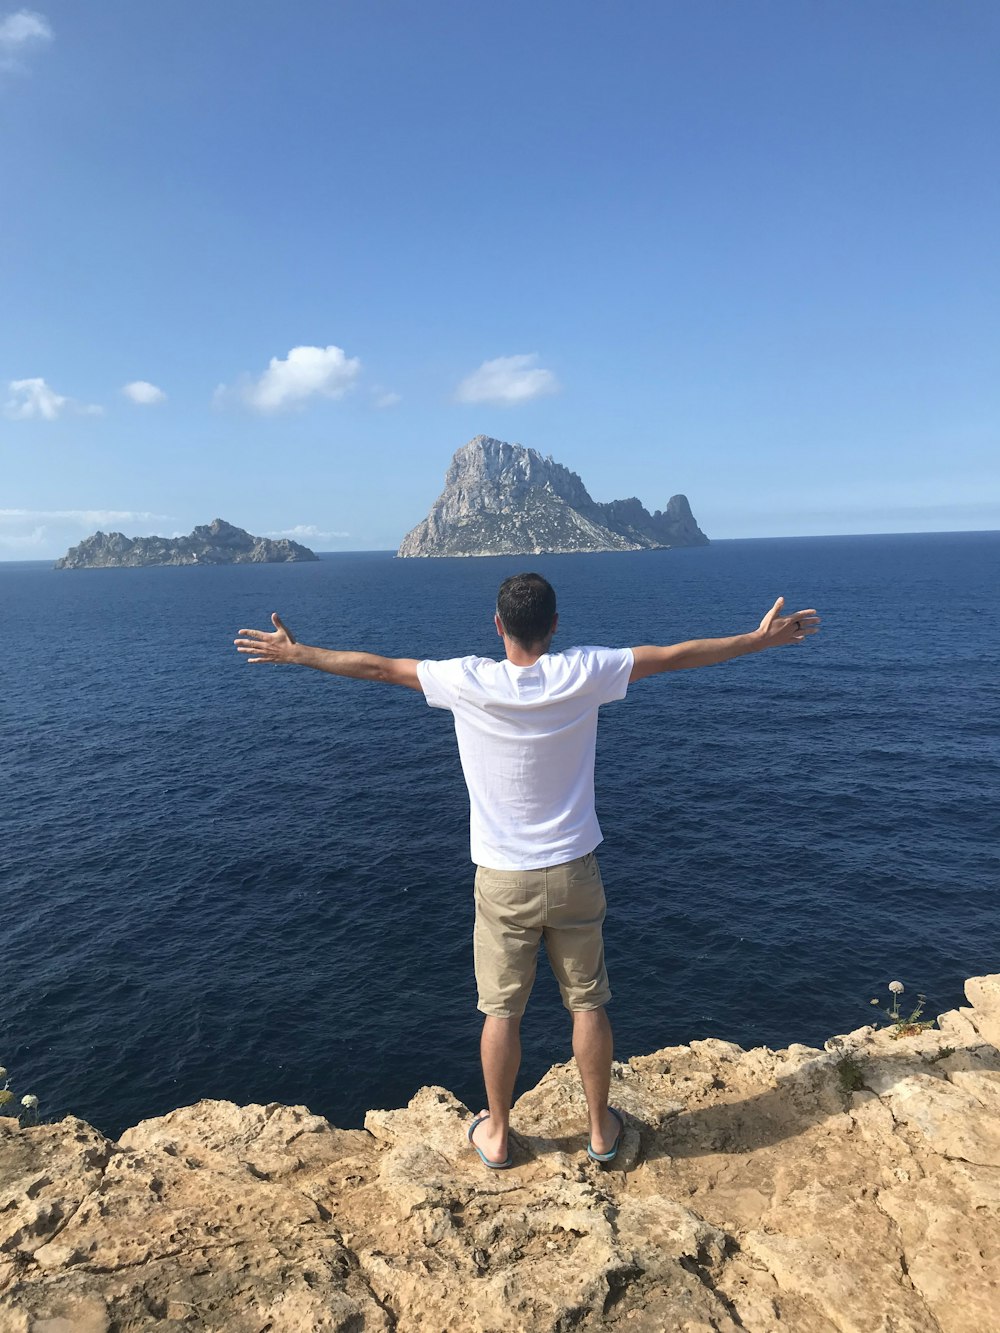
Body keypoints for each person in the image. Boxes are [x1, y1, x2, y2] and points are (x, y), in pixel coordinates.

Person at [234, 574, 819, 1168]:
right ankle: (599, 1132)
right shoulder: (584, 672)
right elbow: (674, 656)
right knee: (588, 1004)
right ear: (556, 625)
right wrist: (756, 640)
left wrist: (296, 652)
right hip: (573, 871)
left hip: (503, 881)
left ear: (498, 626)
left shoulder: (467, 680)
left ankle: (497, 1134)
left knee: (500, 1012)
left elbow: (380, 668)